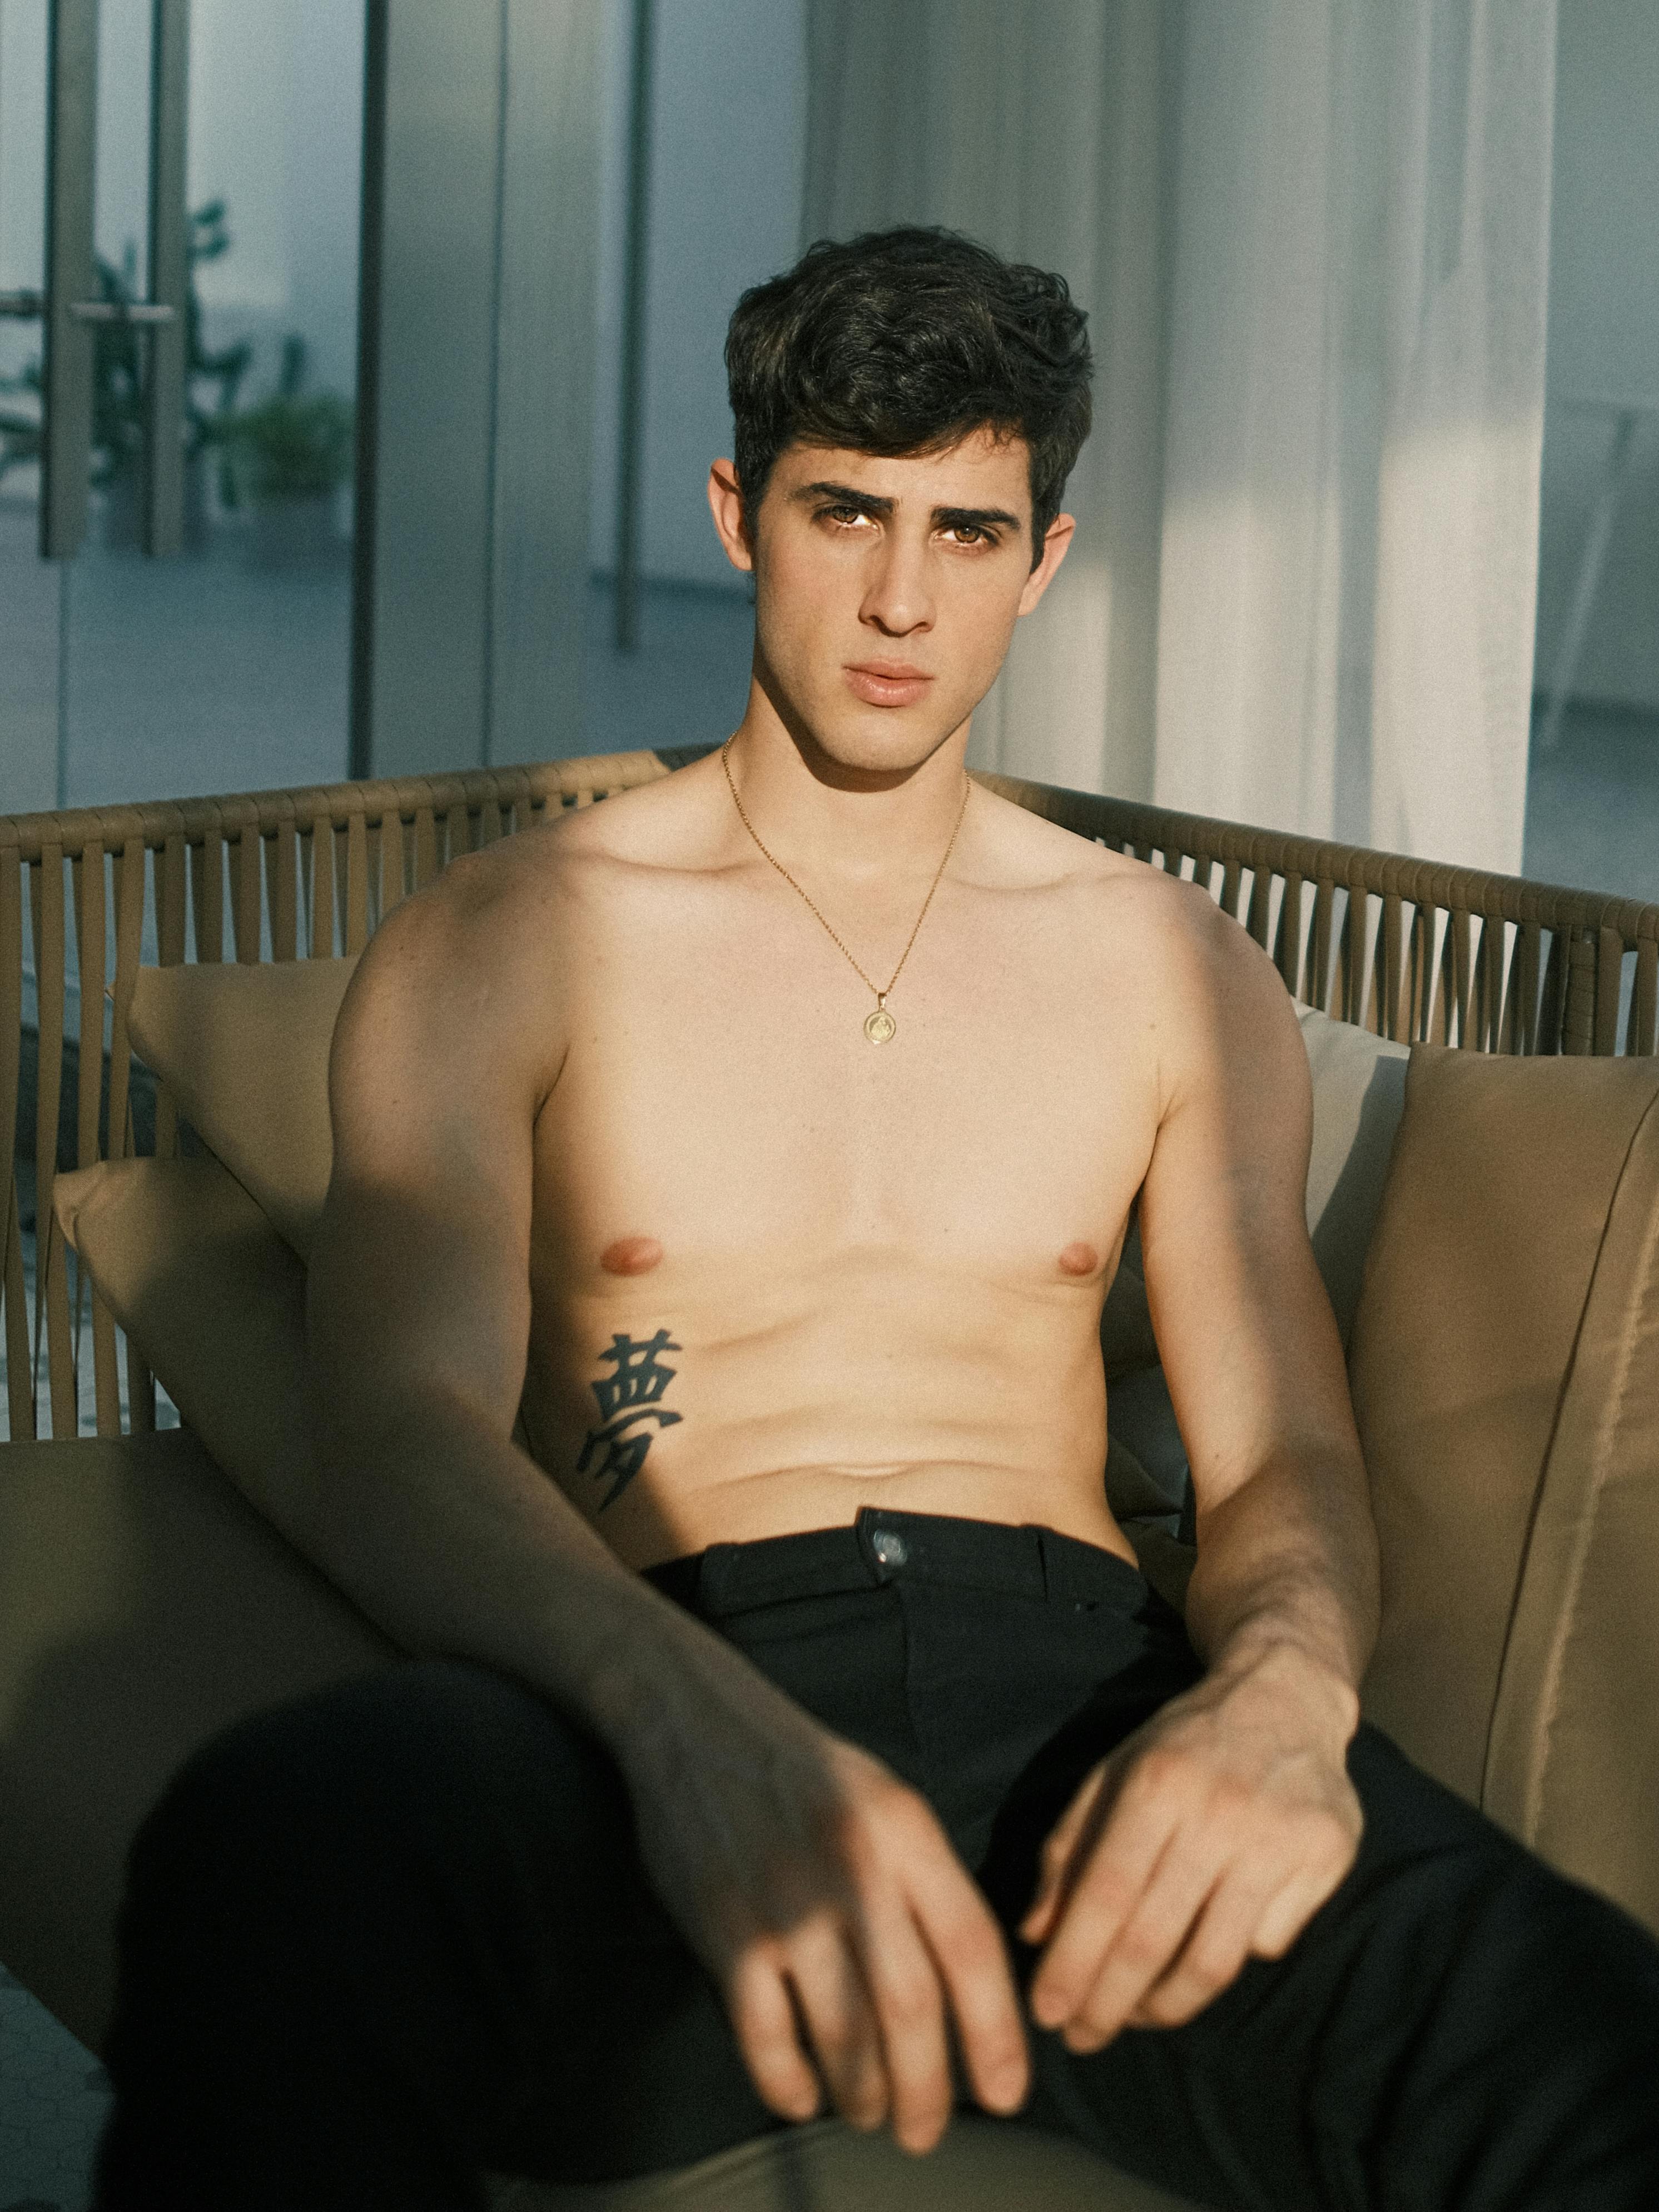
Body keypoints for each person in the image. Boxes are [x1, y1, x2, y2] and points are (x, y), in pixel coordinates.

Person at [95, 228, 1659, 2212]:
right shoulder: (504, 940)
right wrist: (682, 1727)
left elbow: (1282, 1460)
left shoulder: (1171, 968)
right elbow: (396, 1431)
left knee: (1591, 2042)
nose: (905, 598)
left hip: (1082, 1698)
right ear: (740, 512)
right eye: (849, 511)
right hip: (651, 1669)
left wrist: (1278, 1698)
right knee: (283, 1841)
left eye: (970, 531)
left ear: (1048, 558)